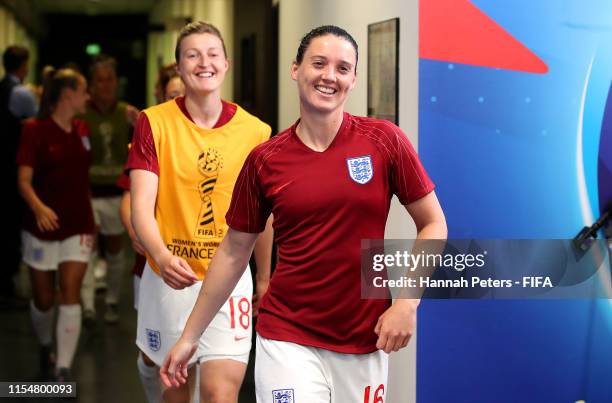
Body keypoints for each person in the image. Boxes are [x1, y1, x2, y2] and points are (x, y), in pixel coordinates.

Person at [161, 25, 447, 402]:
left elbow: (433, 224)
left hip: (363, 337)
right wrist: (190, 337)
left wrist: (407, 303)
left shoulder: (384, 140)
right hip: (286, 335)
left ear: (354, 79)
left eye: (343, 68)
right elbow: (234, 251)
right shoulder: (266, 159)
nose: (330, 76)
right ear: (296, 69)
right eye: (319, 63)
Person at [128, 21, 273, 403]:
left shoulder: (256, 132)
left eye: (212, 54)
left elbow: (264, 216)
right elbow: (141, 204)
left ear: (226, 63)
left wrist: (264, 278)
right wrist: (160, 254)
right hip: (170, 279)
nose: (203, 63)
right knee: (176, 393)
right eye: (192, 55)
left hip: (229, 279)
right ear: (179, 67)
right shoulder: (154, 122)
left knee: (219, 394)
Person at [16, 67, 94, 381]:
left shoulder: (82, 130)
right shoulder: (34, 130)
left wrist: (92, 222)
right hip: (42, 226)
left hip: (78, 224)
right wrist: (38, 207)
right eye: (83, 90)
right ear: (67, 95)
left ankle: (63, 367)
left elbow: (82, 179)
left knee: (70, 290)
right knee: (44, 298)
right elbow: (23, 180)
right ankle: (46, 343)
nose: (87, 97)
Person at [116, 70, 185, 403]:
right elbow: (128, 196)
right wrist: (136, 231)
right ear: (161, 95)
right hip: (152, 266)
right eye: (172, 93)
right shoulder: (151, 134)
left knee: (189, 355)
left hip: (198, 267)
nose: (178, 99)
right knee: (152, 355)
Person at [80, 55, 139, 324]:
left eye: (110, 80)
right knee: (88, 249)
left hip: (117, 192)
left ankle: (113, 300)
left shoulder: (126, 113)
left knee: (116, 249)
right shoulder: (81, 112)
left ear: (117, 83)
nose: (105, 85)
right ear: (92, 84)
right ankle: (88, 303)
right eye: (100, 80)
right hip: (88, 191)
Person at [1, 45, 38, 306]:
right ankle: (7, 285)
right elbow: (32, 122)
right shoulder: (20, 93)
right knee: (11, 226)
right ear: (23, 65)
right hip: (14, 165)